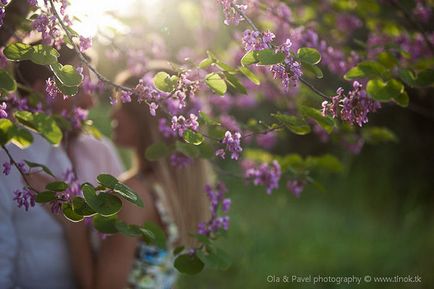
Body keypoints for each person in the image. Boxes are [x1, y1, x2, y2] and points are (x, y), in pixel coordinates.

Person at [68, 71, 212, 289]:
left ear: (147, 118)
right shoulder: (176, 190)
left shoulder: (132, 195)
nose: (112, 117)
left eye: (122, 106)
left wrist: (73, 226)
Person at [0, 45, 123, 289]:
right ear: (38, 91)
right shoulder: (9, 161)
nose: (89, 101)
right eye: (78, 89)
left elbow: (122, 236)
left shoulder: (88, 151)